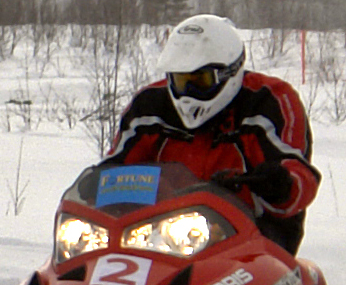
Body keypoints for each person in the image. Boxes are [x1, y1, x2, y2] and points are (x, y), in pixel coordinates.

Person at [102, 14, 320, 255]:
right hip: (157, 238)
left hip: (250, 239)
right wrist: (93, 193)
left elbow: (297, 172)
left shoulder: (269, 101)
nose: (188, 93)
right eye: (180, 81)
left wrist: (281, 183)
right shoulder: (149, 106)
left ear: (231, 73)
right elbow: (115, 168)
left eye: (200, 81)